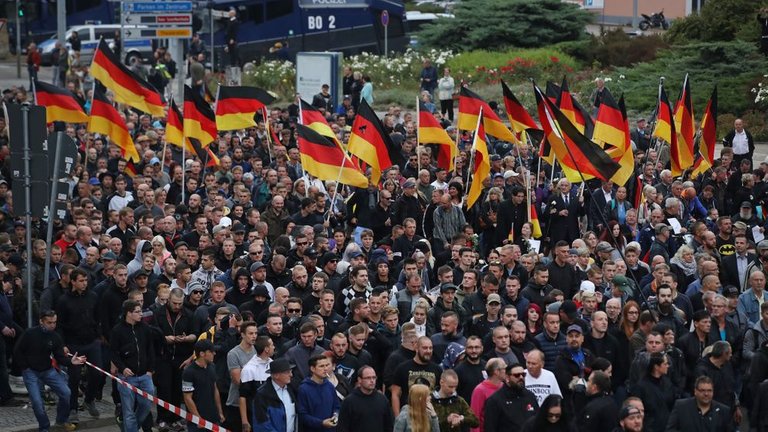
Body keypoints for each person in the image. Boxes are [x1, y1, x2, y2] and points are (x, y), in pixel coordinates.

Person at [13, 310, 85, 432]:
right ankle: (44, 427)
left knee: (66, 393)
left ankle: (61, 420)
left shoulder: (55, 336)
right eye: (49, 322)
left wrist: (70, 362)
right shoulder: (29, 333)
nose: (52, 325)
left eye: (54, 322)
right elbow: (17, 351)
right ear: (41, 321)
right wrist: (25, 367)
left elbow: (59, 356)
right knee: (37, 403)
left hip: (47, 370)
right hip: (31, 372)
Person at [111, 300, 156, 432]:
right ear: (128, 313)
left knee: (146, 406)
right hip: (126, 378)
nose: (141, 314)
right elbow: (113, 353)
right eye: (137, 312)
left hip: (145, 375)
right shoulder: (117, 331)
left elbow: (150, 350)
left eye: (140, 311)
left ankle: (131, 428)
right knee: (128, 411)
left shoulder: (145, 328)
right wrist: (122, 368)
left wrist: (150, 370)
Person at [182, 340, 225, 431]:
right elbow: (187, 397)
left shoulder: (212, 366)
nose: (214, 353)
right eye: (211, 351)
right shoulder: (189, 372)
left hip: (213, 417)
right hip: (197, 422)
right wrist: (198, 418)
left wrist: (220, 412)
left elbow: (215, 389)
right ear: (202, 353)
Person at [483, 363, 539, 432]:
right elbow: (490, 427)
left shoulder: (530, 396)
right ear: (507, 378)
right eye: (517, 375)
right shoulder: (495, 400)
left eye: (523, 375)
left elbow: (538, 422)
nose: (521, 377)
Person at [337, 365, 394, 432]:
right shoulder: (349, 402)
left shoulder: (382, 399)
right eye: (368, 378)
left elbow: (389, 426)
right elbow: (342, 428)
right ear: (359, 380)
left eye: (374, 377)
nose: (372, 381)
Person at [666, 375, 732, 432]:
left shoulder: (724, 411)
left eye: (709, 391)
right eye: (702, 390)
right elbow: (670, 430)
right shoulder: (681, 406)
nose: (706, 394)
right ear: (695, 391)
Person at [252, 358, 297, 432]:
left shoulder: (292, 389)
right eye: (287, 372)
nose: (291, 375)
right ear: (276, 375)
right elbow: (262, 424)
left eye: (291, 371)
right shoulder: (262, 395)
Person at [297, 354, 341, 432]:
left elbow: (336, 406)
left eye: (327, 365)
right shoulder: (304, 389)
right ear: (312, 369)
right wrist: (321, 423)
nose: (325, 369)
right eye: (321, 366)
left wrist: (335, 415)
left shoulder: (330, 386)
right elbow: (302, 415)